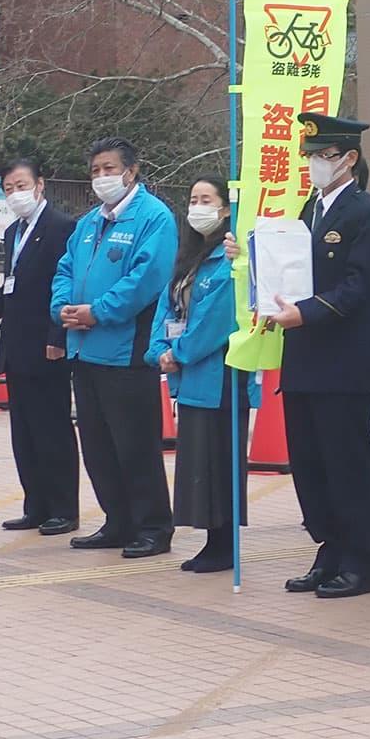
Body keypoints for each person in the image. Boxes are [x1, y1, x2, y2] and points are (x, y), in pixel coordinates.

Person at [228, 112, 370, 598]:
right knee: (311, 466)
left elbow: (359, 287)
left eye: (322, 156)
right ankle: (329, 550)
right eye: (309, 156)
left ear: (349, 159)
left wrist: (307, 313)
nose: (312, 165)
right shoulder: (310, 210)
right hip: (303, 358)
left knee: (348, 466)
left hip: (344, 363)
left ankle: (361, 562)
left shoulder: (367, 213)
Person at [52, 137, 178, 558]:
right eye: (95, 171)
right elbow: (65, 268)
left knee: (135, 445)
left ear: (131, 171)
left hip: (126, 353)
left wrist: (98, 312)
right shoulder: (88, 223)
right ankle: (117, 520)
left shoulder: (154, 219)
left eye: (109, 169)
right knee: (98, 446)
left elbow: (145, 281)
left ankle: (154, 527)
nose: (102, 178)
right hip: (84, 352)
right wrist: (63, 307)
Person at [0, 159, 79, 535]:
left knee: (53, 430)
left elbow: (67, 287)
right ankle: (37, 505)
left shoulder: (62, 228)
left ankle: (64, 508)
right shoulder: (13, 232)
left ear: (40, 184)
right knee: (24, 432)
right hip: (17, 346)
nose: (16, 194)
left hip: (48, 344)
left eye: (21, 185)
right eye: (9, 188)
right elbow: (9, 288)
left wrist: (57, 337)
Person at [146, 176, 257, 572]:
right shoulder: (188, 258)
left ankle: (225, 543)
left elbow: (218, 320)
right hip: (190, 377)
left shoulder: (229, 262)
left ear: (226, 208)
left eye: (206, 199)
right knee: (197, 463)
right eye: (193, 199)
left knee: (219, 462)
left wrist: (179, 352)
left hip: (221, 378)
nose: (198, 207)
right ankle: (212, 539)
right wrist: (159, 350)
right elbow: (167, 308)